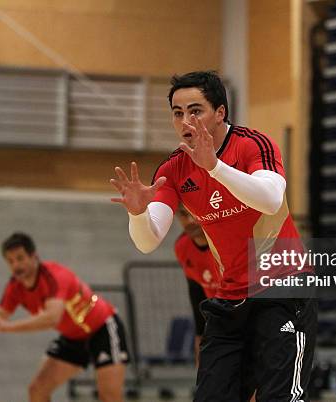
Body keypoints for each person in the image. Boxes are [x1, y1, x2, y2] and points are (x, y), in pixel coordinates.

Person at [110, 70, 316, 402]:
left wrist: (215, 168)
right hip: (232, 296)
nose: (185, 121)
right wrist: (137, 214)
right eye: (178, 113)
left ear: (220, 113)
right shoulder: (173, 169)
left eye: (196, 110)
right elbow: (149, 240)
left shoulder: (253, 144)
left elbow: (271, 198)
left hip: (283, 289)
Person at [0, 232, 129, 402]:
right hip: (73, 337)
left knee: (109, 397)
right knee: (37, 390)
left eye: (20, 258)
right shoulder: (15, 286)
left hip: (102, 329)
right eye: (10, 261)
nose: (16, 266)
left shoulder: (54, 276)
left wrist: (5, 327)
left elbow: (51, 318)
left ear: (34, 257)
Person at [174, 203, 220, 367]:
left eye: (194, 213)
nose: (189, 220)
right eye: (182, 214)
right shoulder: (182, 247)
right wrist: (200, 336)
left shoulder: (225, 242)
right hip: (216, 324)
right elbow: (196, 291)